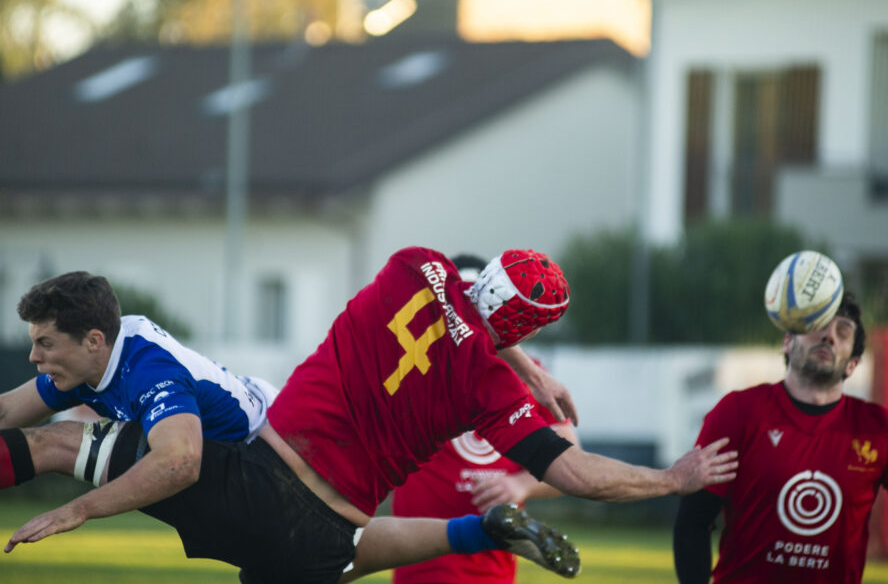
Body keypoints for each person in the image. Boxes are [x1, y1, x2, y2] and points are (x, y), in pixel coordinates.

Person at [0, 270, 580, 584]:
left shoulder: (152, 375)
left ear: (92, 342)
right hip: (299, 480)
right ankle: (483, 530)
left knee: (54, 446)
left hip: (263, 465)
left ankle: (480, 529)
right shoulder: (103, 354)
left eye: (45, 342)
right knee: (339, 553)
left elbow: (177, 462)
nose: (35, 357)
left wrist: (75, 508)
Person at [260, 245, 735, 580]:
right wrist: (672, 480)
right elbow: (576, 470)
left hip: (294, 452)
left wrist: (521, 479)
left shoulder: (414, 264)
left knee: (321, 558)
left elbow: (463, 320)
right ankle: (482, 532)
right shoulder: (489, 384)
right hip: (361, 500)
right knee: (326, 558)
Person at [672, 291, 887, 583]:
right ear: (788, 341)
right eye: (817, 324)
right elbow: (693, 521)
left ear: (853, 363)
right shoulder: (737, 412)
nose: (829, 336)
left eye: (843, 332)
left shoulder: (876, 428)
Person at [391, 254, 581, 584]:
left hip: (491, 566)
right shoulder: (415, 360)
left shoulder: (531, 375)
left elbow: (571, 460)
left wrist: (519, 484)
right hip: (420, 562)